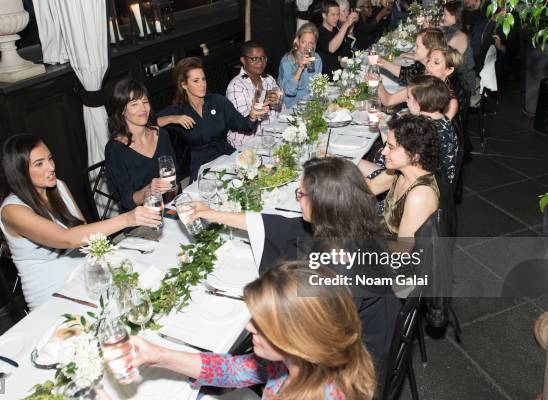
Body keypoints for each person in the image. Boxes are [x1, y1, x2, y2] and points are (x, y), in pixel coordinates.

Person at [189, 157, 401, 373]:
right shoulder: (351, 223)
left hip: (356, 363)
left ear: (323, 202)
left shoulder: (340, 269)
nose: (298, 200)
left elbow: (310, 339)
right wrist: (212, 214)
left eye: (301, 194)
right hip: (368, 332)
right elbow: (278, 227)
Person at [126, 262, 377, 400]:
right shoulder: (299, 362)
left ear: (297, 337)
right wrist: (158, 355)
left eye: (262, 323)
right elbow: (232, 370)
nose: (248, 326)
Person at [0, 134, 161, 310]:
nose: (51, 167)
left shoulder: (58, 187)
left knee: (150, 279)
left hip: (88, 278)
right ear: (19, 172)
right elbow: (66, 238)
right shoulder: (11, 211)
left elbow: (84, 233)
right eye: (39, 163)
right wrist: (128, 219)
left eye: (50, 158)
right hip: (53, 296)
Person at [157, 57, 266, 182]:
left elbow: (245, 126)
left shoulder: (217, 102)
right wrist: (172, 118)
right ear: (184, 85)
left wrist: (252, 116)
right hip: (202, 166)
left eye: (203, 79)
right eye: (196, 81)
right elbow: (149, 123)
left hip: (226, 157)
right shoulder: (179, 110)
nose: (202, 84)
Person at [360, 75, 458, 183]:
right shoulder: (441, 121)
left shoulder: (420, 132)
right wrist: (382, 124)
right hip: (410, 175)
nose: (406, 101)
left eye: (408, 97)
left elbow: (398, 164)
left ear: (419, 102)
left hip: (402, 180)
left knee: (353, 164)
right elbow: (392, 146)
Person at [105, 79, 178, 212]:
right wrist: (149, 190)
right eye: (134, 104)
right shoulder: (115, 150)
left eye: (145, 102)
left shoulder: (161, 135)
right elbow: (127, 201)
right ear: (122, 110)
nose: (143, 109)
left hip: (167, 207)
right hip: (138, 218)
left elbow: (175, 180)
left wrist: (173, 197)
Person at [367, 115, 442, 238]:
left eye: (391, 147)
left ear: (414, 155)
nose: (383, 152)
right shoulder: (400, 172)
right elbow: (370, 187)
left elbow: (402, 251)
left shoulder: (420, 196)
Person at [377, 46, 463, 123]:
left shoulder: (451, 102)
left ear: (449, 70)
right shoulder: (422, 84)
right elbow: (388, 101)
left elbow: (440, 134)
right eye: (428, 60)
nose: (428, 65)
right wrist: (377, 82)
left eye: (436, 63)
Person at [226, 41, 280, 149]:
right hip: (248, 142)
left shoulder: (268, 78)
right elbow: (245, 124)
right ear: (243, 60)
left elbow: (277, 107)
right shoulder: (236, 87)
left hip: (270, 133)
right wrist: (264, 99)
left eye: (263, 58)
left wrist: (277, 100)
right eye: (254, 59)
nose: (260, 62)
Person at [377, 27, 447, 85]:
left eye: (417, 46)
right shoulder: (423, 65)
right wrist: (383, 62)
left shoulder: (430, 76)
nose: (414, 50)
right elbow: (406, 73)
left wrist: (377, 81)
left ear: (429, 49)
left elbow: (389, 100)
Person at [278, 22, 323, 109]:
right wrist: (300, 68)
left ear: (315, 45)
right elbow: (289, 91)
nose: (307, 47)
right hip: (290, 108)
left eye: (311, 43)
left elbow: (317, 88)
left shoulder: (317, 59)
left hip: (310, 106)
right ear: (297, 42)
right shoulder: (287, 61)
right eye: (303, 42)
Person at [441, 0, 476, 94]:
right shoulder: (454, 31)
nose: (442, 17)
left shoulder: (458, 38)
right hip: (455, 79)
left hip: (462, 86)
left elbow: (443, 63)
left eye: (445, 14)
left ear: (455, 17)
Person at [317, 0, 359, 77]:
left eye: (338, 14)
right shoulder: (319, 33)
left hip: (340, 75)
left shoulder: (335, 30)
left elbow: (341, 56)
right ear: (324, 15)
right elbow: (331, 48)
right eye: (333, 15)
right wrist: (347, 24)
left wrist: (353, 65)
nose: (336, 18)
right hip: (326, 80)